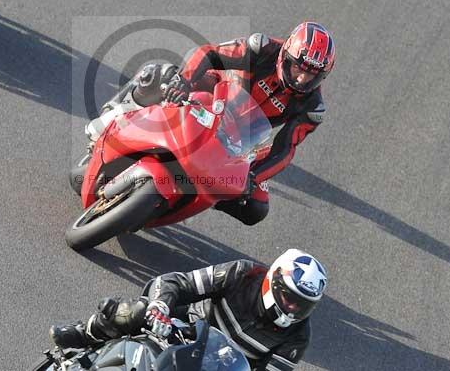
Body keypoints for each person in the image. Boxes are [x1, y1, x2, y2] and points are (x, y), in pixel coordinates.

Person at [97, 22, 336, 226]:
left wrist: (253, 177)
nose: (302, 78)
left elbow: (285, 150)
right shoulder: (261, 48)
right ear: (286, 55)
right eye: (298, 67)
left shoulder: (312, 108)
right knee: (162, 75)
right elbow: (209, 53)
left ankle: (195, 197)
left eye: (311, 74)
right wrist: (183, 82)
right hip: (209, 98)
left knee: (256, 208)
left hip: (239, 140)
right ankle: (118, 112)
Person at [50, 249, 328, 370]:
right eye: (289, 297)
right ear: (272, 281)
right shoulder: (242, 273)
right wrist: (160, 307)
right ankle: (85, 333)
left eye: (303, 304)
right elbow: (179, 282)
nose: (293, 308)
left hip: (218, 369)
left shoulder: (298, 336)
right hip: (180, 330)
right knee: (135, 311)